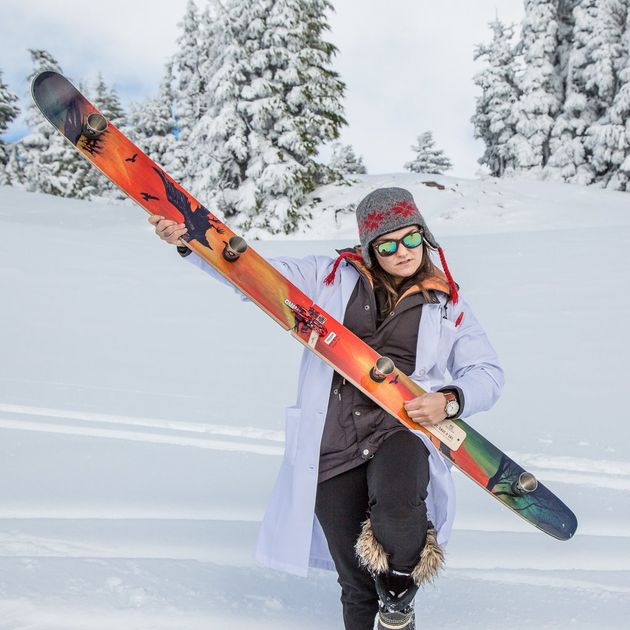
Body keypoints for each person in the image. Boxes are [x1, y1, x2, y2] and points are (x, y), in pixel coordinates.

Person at [149, 187, 504, 630]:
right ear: (371, 250)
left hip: (402, 429)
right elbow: (254, 276)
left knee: (397, 512)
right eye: (387, 245)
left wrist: (451, 399)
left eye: (411, 239)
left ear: (425, 239)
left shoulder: (448, 305)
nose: (402, 253)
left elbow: (486, 371)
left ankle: (398, 590)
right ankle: (392, 616)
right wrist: (191, 242)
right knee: (356, 583)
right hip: (332, 442)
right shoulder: (329, 276)